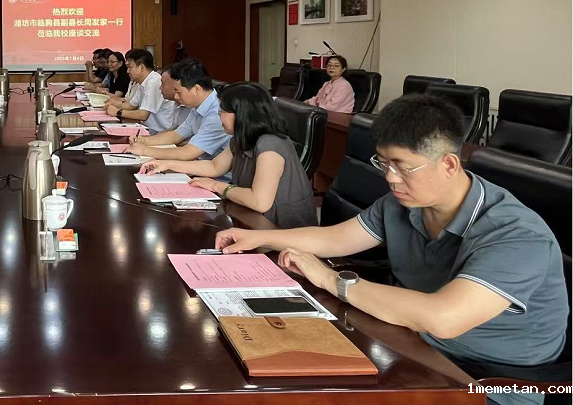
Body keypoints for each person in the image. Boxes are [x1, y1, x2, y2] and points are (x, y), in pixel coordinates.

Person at [214, 94, 568, 405]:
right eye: (383, 163)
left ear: (449, 164)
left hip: (488, 380)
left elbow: (444, 319)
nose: (390, 178)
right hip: (410, 345)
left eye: (402, 167)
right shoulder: (404, 202)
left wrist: (331, 279)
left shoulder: (516, 234)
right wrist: (262, 238)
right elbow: (338, 238)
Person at [141, 83, 316, 228]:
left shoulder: (270, 145)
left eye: (223, 111)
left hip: (282, 229)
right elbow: (214, 166)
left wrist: (217, 186)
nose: (219, 115)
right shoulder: (242, 138)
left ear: (242, 114)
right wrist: (166, 164)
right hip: (252, 218)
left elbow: (260, 201)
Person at [127, 58, 230, 161]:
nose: (176, 96)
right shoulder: (198, 106)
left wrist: (144, 150)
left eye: (178, 91)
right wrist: (144, 141)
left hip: (214, 169)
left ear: (197, 89)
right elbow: (176, 135)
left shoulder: (218, 113)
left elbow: (188, 152)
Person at [104, 49, 182, 132]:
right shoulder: (142, 82)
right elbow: (131, 105)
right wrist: (111, 105)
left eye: (130, 67)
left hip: (158, 131)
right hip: (145, 127)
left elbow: (143, 115)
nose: (127, 71)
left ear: (141, 67)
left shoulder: (153, 81)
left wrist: (118, 112)